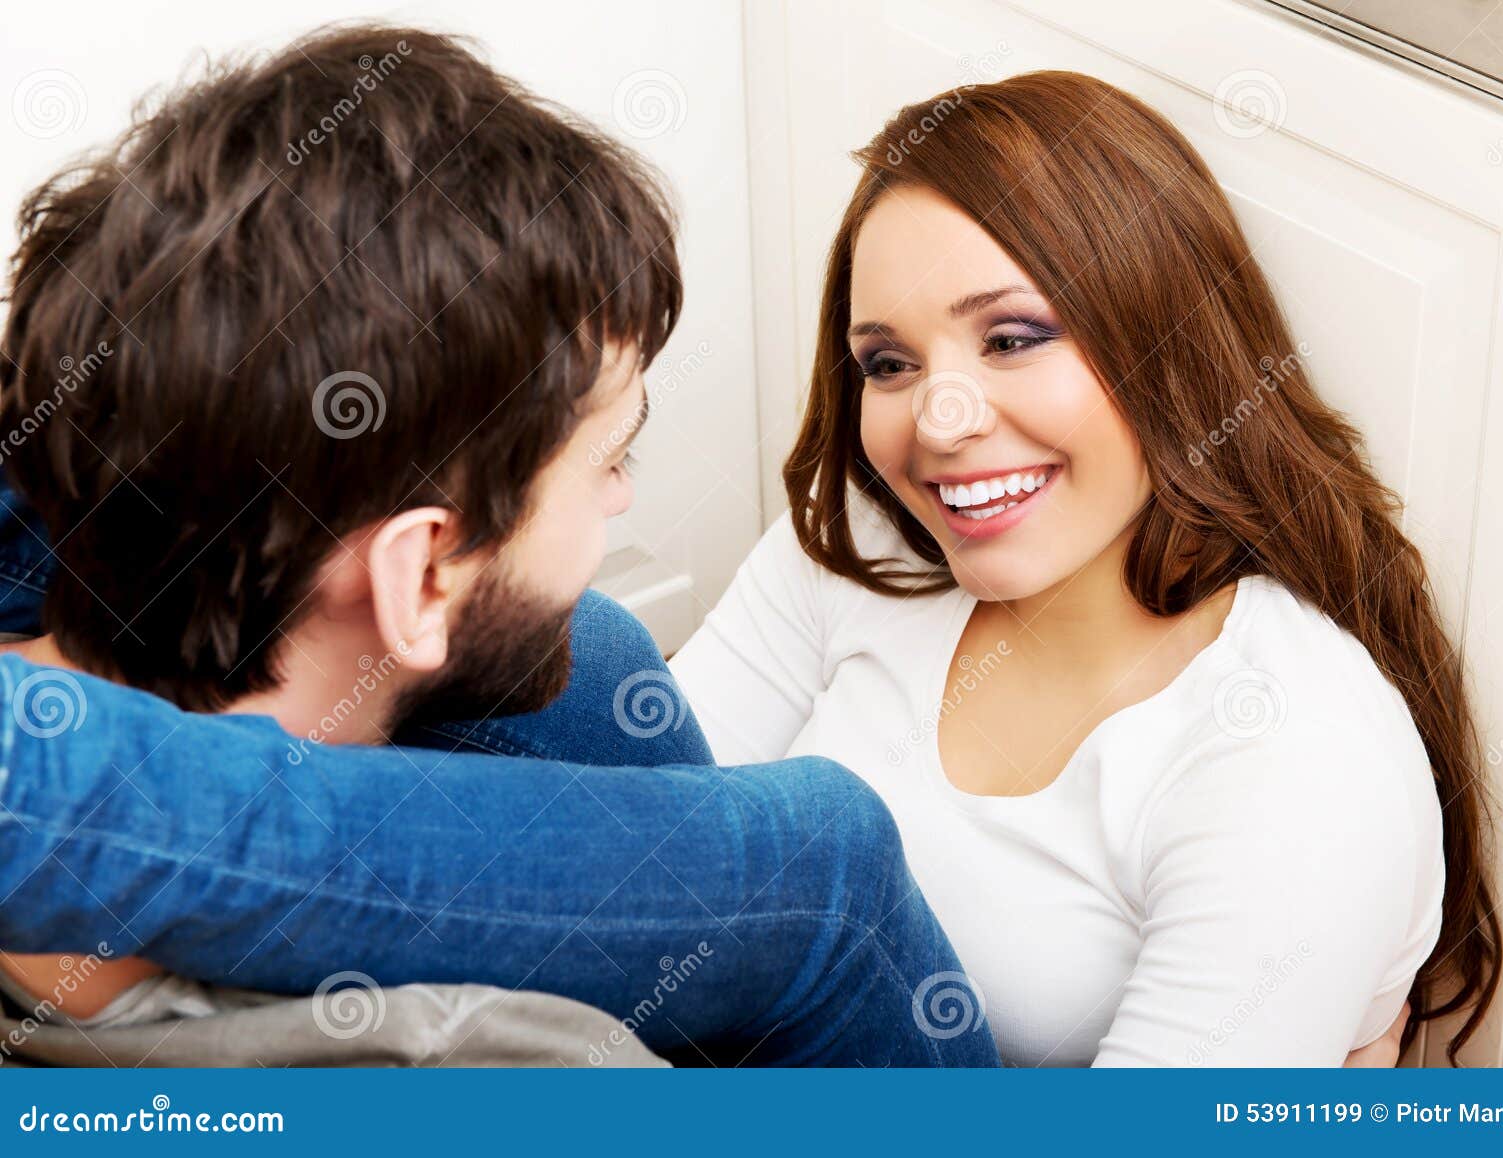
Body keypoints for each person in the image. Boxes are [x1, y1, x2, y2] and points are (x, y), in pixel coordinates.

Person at [0, 24, 998, 1068]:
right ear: (422, 574)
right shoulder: (508, 1064)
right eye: (609, 461)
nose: (616, 500)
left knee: (590, 656)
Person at [671, 71, 1500, 1064]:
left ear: (1166, 341)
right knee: (593, 674)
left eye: (1011, 339)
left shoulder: (1291, 752)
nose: (939, 421)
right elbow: (644, 872)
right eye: (889, 363)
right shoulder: (874, 539)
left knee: (828, 858)